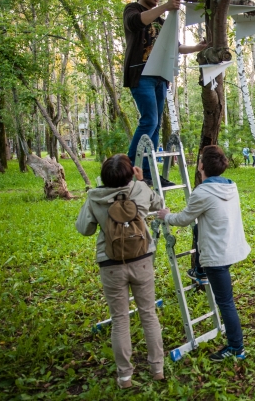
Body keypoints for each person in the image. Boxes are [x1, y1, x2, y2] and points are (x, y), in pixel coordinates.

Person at [75, 154, 165, 388]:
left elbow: (84, 229)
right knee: (148, 314)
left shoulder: (94, 196)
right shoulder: (141, 189)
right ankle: (157, 369)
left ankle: (125, 376)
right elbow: (158, 203)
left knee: (120, 319)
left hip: (111, 264)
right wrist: (141, 181)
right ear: (129, 174)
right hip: (142, 260)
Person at [158, 145, 251, 361]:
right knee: (201, 225)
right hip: (231, 246)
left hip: (217, 255)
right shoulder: (231, 186)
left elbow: (184, 219)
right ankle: (199, 270)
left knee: (225, 301)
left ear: (201, 165)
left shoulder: (202, 192)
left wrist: (166, 216)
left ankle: (237, 348)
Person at [123, 0, 206, 187]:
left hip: (160, 76)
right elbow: (137, 22)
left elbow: (176, 47)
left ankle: (149, 173)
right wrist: (167, 7)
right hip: (141, 74)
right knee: (149, 120)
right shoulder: (132, 9)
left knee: (156, 124)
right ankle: (130, 167)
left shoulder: (160, 20)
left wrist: (199, 47)